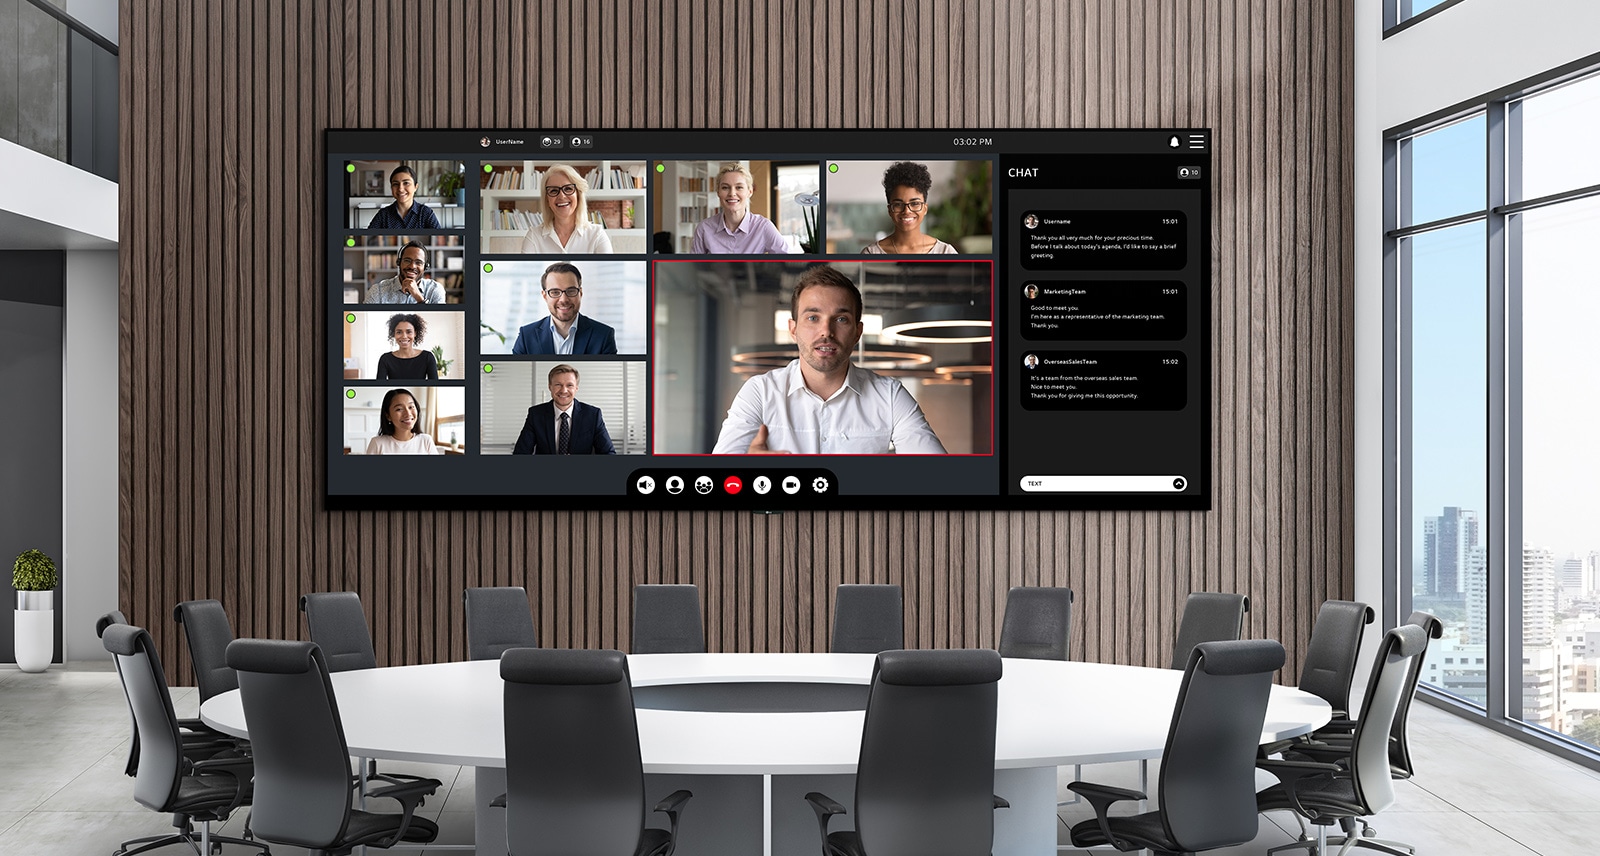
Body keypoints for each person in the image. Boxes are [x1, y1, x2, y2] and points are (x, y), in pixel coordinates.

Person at [711, 265, 946, 455]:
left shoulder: (890, 396)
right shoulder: (760, 391)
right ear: (793, 329)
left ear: (857, 332)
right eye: (813, 317)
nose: (826, 331)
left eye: (841, 319)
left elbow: (938, 477)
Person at [510, 262, 618, 355]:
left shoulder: (603, 335)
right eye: (555, 292)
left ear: (580, 293)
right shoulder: (527, 335)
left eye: (571, 291)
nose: (563, 299)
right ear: (544, 296)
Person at [512, 364, 616, 455]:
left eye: (569, 385)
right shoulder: (536, 414)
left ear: (576, 388)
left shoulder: (593, 415)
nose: (564, 390)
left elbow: (609, 453)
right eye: (558, 385)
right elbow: (520, 453)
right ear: (550, 387)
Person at [690, 162, 790, 254]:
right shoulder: (704, 228)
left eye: (739, 187)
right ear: (718, 192)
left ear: (749, 192)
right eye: (725, 187)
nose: (732, 193)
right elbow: (693, 267)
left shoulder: (763, 227)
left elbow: (787, 262)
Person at [862, 161, 958, 255]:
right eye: (898, 204)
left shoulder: (945, 252)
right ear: (889, 210)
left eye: (915, 203)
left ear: (925, 208)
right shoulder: (871, 253)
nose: (907, 211)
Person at [520, 164, 614, 254]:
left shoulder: (597, 235)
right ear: (547, 200)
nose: (561, 196)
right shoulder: (534, 236)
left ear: (578, 195)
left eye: (568, 189)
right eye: (553, 190)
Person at [366, 241, 447, 304]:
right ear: (398, 262)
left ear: (425, 267)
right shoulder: (377, 291)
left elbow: (432, 319)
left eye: (418, 262)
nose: (412, 266)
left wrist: (419, 297)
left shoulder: (435, 290)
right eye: (407, 261)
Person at [365, 388, 438, 455]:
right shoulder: (377, 443)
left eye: (411, 407)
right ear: (388, 416)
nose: (408, 413)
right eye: (399, 409)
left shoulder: (426, 440)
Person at [366, 165, 441, 230]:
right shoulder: (383, 214)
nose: (400, 189)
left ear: (415, 187)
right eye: (395, 184)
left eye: (406, 183)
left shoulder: (426, 213)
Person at [375, 313, 439, 380]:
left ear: (415, 333)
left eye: (409, 332)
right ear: (394, 334)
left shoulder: (427, 357)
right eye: (399, 332)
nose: (404, 336)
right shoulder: (385, 359)